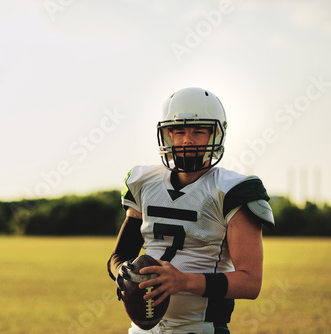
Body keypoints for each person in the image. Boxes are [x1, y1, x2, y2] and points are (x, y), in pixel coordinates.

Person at [107, 87, 275, 334]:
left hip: (200, 327)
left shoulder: (233, 190)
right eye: (179, 131)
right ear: (167, 135)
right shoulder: (143, 182)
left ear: (215, 135)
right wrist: (124, 273)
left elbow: (250, 283)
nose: (187, 139)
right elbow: (118, 257)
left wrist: (184, 281)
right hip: (142, 330)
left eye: (198, 131)